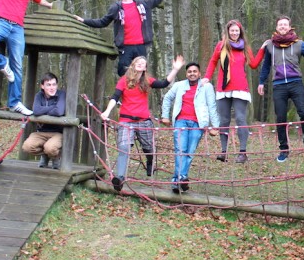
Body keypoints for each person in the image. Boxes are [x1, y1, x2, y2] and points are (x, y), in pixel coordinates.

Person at [101, 55, 184, 191]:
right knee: (124, 147)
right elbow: (115, 97)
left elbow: (164, 83)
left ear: (145, 68)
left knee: (148, 147)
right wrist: (107, 111)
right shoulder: (124, 81)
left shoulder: (147, 81)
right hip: (126, 120)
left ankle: (150, 161)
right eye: (138, 62)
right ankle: (120, 178)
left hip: (144, 121)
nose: (140, 64)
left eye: (143, 63)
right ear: (133, 65)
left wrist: (175, 69)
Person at [75, 0, 167, 77]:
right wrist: (84, 21)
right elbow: (102, 22)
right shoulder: (116, 8)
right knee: (124, 74)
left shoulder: (142, 4)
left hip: (140, 47)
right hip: (126, 48)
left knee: (142, 76)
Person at [257, 16, 304, 162]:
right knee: (281, 117)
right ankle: (284, 149)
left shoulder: (299, 44)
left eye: (285, 25)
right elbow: (265, 66)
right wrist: (261, 82)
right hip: (278, 85)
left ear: (290, 27)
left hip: (296, 82)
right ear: (277, 28)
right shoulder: (270, 45)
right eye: (280, 25)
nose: (283, 27)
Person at [204, 20, 265, 163]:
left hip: (240, 88)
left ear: (240, 32)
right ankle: (223, 152)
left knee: (240, 118)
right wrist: (207, 77)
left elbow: (254, 64)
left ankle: (242, 153)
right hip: (223, 88)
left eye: (237, 31)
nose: (234, 33)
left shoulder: (245, 48)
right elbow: (213, 62)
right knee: (224, 120)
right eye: (232, 31)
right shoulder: (221, 45)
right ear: (228, 31)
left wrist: (262, 49)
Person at [161, 62, 220, 193]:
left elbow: (212, 106)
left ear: (199, 73)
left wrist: (215, 126)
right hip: (181, 122)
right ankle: (180, 179)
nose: (192, 73)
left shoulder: (207, 86)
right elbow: (167, 98)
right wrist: (165, 116)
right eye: (189, 71)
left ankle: (178, 180)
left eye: (195, 71)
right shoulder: (179, 85)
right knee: (180, 150)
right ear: (186, 73)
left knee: (189, 152)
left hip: (198, 124)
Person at [22, 72, 66, 170]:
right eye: (48, 85)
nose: (52, 88)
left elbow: (59, 111)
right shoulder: (39, 95)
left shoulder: (62, 94)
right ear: (42, 86)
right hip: (41, 132)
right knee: (27, 146)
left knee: (50, 148)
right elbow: (36, 111)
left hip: (57, 133)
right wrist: (52, 107)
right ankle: (46, 155)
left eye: (54, 84)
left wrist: (44, 110)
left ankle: (55, 156)